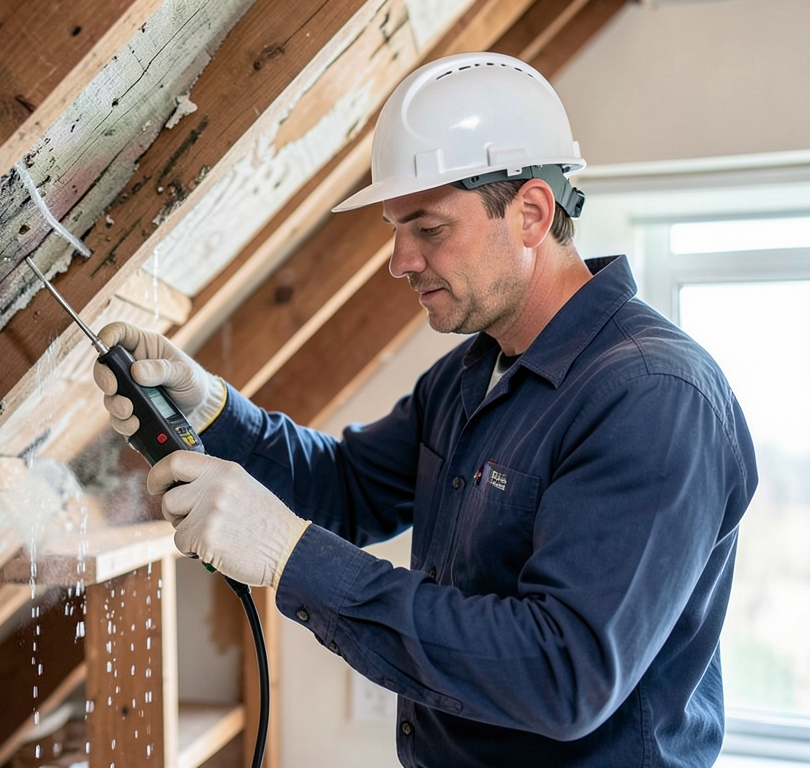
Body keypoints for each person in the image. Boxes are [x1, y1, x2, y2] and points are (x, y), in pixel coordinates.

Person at [92, 52, 757, 767]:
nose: (398, 260)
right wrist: (216, 412)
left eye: (428, 228)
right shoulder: (473, 373)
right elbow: (348, 487)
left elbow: (561, 675)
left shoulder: (653, 397)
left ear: (531, 213)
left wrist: (290, 555)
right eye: (394, 228)